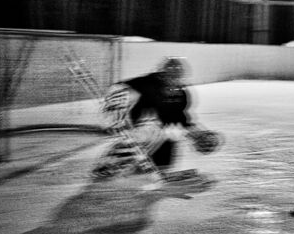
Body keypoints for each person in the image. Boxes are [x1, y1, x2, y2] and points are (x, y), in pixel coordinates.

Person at [92, 56, 220, 185]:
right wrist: (116, 104)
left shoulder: (181, 95)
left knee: (167, 134)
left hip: (147, 125)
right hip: (126, 117)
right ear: (161, 75)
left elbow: (178, 120)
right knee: (149, 133)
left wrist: (195, 134)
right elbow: (120, 89)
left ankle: (160, 166)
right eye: (168, 77)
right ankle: (109, 165)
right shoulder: (147, 84)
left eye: (176, 78)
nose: (173, 82)